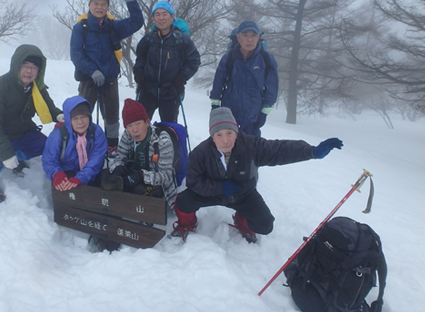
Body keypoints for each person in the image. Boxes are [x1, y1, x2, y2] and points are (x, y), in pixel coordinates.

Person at [171, 107, 343, 242]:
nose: (225, 140)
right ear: (212, 136)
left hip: (242, 193)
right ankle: (187, 225)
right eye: (219, 134)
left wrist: (311, 151)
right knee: (183, 201)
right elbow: (194, 182)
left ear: (236, 132)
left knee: (265, 225)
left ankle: (242, 221)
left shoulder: (251, 146)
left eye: (230, 133)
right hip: (213, 193)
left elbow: (279, 150)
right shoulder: (200, 153)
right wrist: (220, 187)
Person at [0, 44, 63, 204]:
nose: (29, 71)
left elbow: (49, 107)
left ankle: (16, 158)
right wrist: (5, 154)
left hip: (20, 131)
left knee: (46, 145)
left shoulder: (37, 88)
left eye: (34, 68)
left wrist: (60, 115)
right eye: (25, 66)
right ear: (16, 65)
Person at [70, 0, 144, 156]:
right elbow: (76, 54)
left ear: (108, 6)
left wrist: (132, 1)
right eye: (96, 3)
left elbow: (136, 22)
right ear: (89, 5)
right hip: (88, 79)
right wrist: (93, 71)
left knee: (111, 116)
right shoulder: (81, 28)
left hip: (110, 79)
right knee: (82, 113)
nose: (99, 7)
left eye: (103, 4)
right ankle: (82, 143)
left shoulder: (112, 27)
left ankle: (112, 147)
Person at [134, 1, 200, 123]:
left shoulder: (182, 39)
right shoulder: (148, 39)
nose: (161, 18)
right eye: (157, 14)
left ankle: (170, 142)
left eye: (165, 14)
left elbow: (194, 60)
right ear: (153, 18)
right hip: (148, 90)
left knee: (169, 128)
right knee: (141, 124)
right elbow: (140, 57)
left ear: (172, 17)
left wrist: (182, 76)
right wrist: (138, 71)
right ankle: (142, 143)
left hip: (171, 91)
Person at [210, 20, 279, 137]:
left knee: (251, 149)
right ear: (238, 37)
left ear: (259, 37)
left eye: (253, 35)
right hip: (229, 111)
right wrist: (215, 105)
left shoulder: (266, 59)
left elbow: (271, 87)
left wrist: (264, 112)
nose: (250, 39)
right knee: (227, 146)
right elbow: (218, 81)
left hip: (253, 114)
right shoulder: (229, 57)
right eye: (245, 35)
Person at [108, 98, 177, 209]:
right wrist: (118, 167)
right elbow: (119, 157)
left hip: (156, 182)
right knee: (107, 177)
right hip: (132, 172)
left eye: (138, 123)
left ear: (147, 122)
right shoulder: (128, 135)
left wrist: (142, 176)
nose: (134, 129)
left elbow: (166, 176)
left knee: (138, 190)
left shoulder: (162, 141)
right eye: (129, 126)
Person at [42, 96, 107, 190]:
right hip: (66, 173)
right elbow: (49, 160)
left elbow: (96, 159)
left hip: (91, 172)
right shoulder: (58, 135)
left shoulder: (96, 132)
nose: (80, 122)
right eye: (75, 118)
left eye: (84, 116)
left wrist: (81, 177)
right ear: (68, 120)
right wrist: (57, 174)